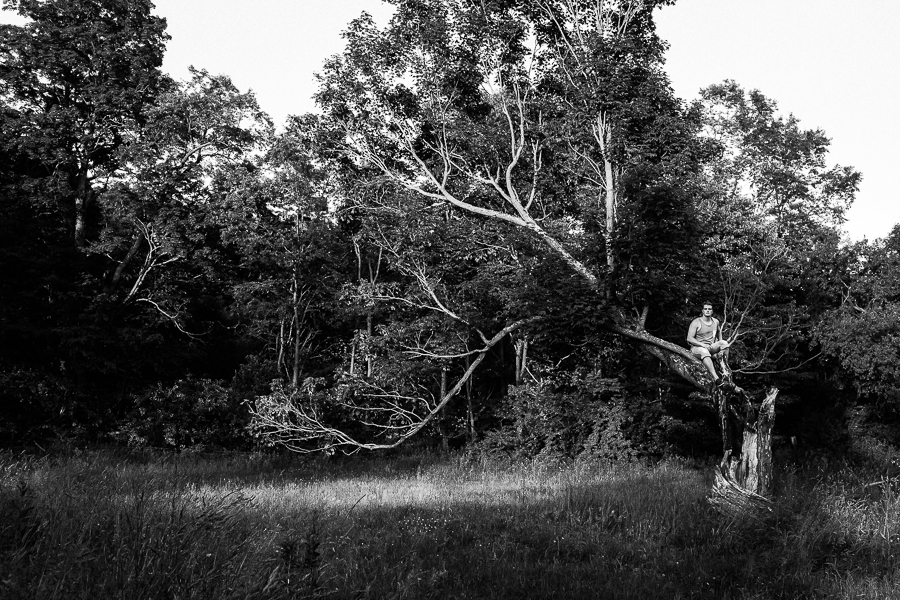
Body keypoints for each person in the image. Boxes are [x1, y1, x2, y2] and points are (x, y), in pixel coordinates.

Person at [686, 302, 731, 386]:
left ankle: (725, 368)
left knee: (724, 343)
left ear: (712, 311)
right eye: (705, 309)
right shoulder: (696, 322)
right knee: (704, 351)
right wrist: (702, 345)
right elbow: (689, 338)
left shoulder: (715, 321)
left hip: (710, 347)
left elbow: (719, 332)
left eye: (709, 309)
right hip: (697, 348)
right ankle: (716, 379)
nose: (707, 311)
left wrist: (720, 345)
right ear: (702, 311)